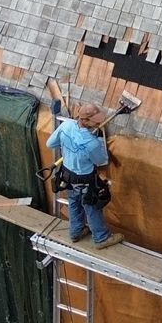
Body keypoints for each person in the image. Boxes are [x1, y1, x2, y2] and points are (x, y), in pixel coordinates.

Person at [46, 87, 122, 249]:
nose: (99, 122)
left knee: (74, 202)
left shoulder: (66, 127)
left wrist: (69, 146)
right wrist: (99, 142)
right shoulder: (92, 143)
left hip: (67, 174)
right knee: (92, 205)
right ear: (85, 121)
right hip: (85, 179)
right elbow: (101, 161)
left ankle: (76, 232)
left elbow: (50, 143)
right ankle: (101, 238)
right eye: (96, 121)